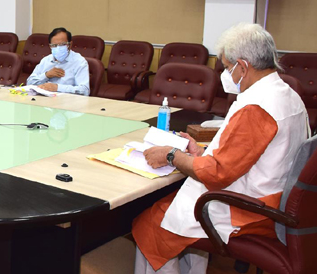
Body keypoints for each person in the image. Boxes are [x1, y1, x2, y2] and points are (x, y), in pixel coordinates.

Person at [133, 23, 309, 274]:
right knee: (172, 212)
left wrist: (171, 155)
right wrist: (200, 153)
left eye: (227, 67)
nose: (226, 74)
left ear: (243, 66)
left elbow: (217, 173)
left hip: (249, 209)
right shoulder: (288, 95)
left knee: (151, 224)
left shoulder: (257, 107)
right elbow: (249, 155)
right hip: (272, 197)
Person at [25, 27, 90, 96]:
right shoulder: (46, 60)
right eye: (54, 45)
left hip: (67, 100)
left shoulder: (79, 62)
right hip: (43, 99)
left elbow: (84, 91)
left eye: (62, 44)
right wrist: (46, 75)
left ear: (70, 45)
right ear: (50, 46)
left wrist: (57, 88)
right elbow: (29, 83)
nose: (58, 48)